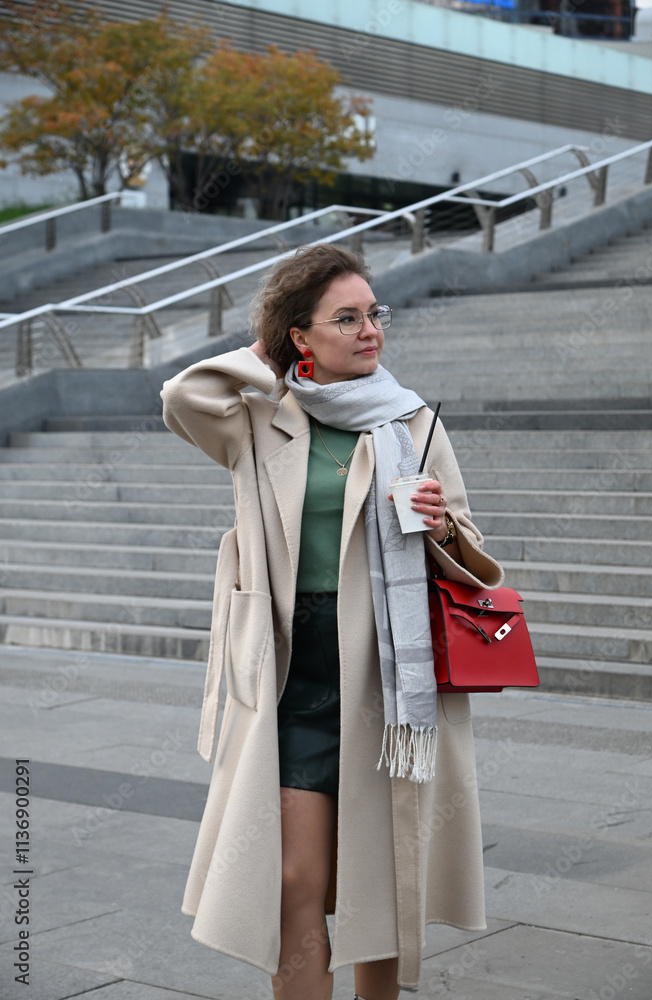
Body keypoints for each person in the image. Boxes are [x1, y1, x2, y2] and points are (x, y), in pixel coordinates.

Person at [160, 243, 504, 1000]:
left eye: (373, 314)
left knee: (382, 873)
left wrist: (440, 526)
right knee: (294, 876)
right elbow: (183, 398)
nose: (369, 330)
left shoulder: (412, 421)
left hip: (386, 668)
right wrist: (266, 353)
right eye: (345, 318)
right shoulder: (261, 418)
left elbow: (475, 554)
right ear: (300, 334)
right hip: (293, 670)